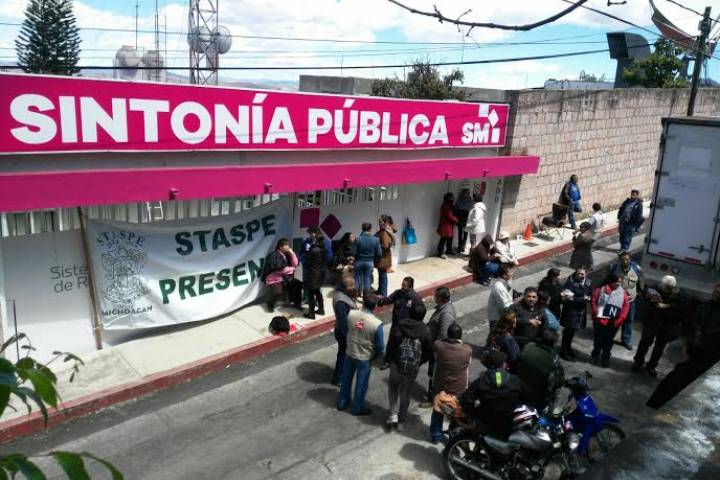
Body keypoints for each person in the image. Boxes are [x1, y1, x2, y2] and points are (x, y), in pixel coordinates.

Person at [647, 285, 720, 409]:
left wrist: (705, 337)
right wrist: (692, 340)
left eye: (718, 293)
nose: (715, 294)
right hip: (695, 348)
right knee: (675, 379)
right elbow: (694, 322)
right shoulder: (705, 307)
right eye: (715, 292)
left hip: (709, 352)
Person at [385, 302, 432, 431]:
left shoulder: (400, 325)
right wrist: (419, 362)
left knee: (393, 387)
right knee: (405, 393)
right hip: (412, 368)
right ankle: (401, 420)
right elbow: (428, 352)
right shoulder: (425, 331)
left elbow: (391, 344)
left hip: (396, 364)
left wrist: (388, 360)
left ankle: (392, 414)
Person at [632, 275, 690, 377]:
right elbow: (646, 296)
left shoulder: (677, 295)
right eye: (667, 287)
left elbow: (680, 307)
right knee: (645, 342)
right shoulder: (653, 289)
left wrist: (667, 306)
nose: (668, 289)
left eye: (670, 288)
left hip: (667, 324)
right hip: (652, 321)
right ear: (662, 285)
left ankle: (651, 366)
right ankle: (638, 362)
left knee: (659, 347)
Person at [336, 294, 384, 416]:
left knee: (346, 379)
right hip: (365, 357)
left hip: (350, 352)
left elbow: (346, 329)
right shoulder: (376, 324)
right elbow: (380, 345)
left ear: (363, 303)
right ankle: (357, 408)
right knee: (361, 384)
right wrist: (376, 357)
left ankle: (342, 402)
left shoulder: (351, 314)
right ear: (375, 306)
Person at [460, 350, 525, 440]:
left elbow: (466, 400)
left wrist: (474, 412)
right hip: (507, 425)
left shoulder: (481, 381)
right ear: (503, 365)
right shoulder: (515, 380)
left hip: (485, 423)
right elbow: (524, 399)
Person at [429, 323, 472, 444]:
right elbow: (468, 364)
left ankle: (436, 436)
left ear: (448, 334)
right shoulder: (467, 350)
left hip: (440, 386)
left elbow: (436, 351)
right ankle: (454, 440)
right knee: (456, 414)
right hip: (459, 388)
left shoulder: (439, 346)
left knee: (438, 410)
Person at [515, 329, 564, 410]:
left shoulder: (529, 346)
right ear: (554, 344)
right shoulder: (554, 360)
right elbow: (559, 382)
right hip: (537, 397)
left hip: (519, 387)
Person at [424, 287, 457, 405]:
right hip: (434, 347)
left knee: (435, 374)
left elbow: (443, 335)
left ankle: (433, 398)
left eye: (436, 296)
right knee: (432, 373)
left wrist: (435, 349)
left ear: (441, 298)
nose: (434, 298)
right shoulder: (442, 309)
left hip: (438, 350)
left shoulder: (446, 313)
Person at [590, 272, 629, 368]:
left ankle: (605, 358)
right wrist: (597, 313)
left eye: (620, 282)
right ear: (610, 282)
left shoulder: (622, 292)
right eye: (617, 282)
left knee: (608, 342)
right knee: (598, 340)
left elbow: (626, 306)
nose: (619, 284)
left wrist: (620, 319)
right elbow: (594, 301)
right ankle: (595, 356)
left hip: (613, 323)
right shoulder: (600, 290)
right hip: (599, 321)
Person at [611, 252, 643, 350]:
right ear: (619, 260)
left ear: (630, 260)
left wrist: (639, 291)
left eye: (627, 259)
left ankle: (625, 340)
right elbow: (608, 282)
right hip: (617, 300)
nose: (625, 261)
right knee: (615, 319)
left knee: (629, 320)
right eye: (623, 260)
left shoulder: (636, 268)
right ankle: (609, 336)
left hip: (630, 301)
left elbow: (640, 280)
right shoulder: (615, 268)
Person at [559, 267, 592, 361]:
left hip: (580, 311)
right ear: (576, 273)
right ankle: (563, 351)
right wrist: (583, 299)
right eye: (579, 274)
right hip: (571, 311)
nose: (581, 276)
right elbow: (568, 298)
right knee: (568, 332)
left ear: (586, 274)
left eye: (582, 274)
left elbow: (590, 292)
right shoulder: (570, 283)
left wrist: (589, 297)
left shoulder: (588, 282)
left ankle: (568, 348)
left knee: (572, 331)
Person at [331, 277, 358, 386]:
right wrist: (347, 337)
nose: (354, 288)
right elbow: (343, 322)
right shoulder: (341, 302)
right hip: (344, 332)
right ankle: (339, 378)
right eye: (352, 286)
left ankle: (340, 375)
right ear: (347, 287)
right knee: (343, 355)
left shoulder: (340, 294)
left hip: (344, 330)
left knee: (343, 354)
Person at [262, 238, 299, 311]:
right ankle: (270, 303)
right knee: (278, 292)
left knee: (297, 284)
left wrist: (292, 254)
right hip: (273, 278)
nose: (288, 247)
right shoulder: (274, 255)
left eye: (288, 245)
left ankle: (296, 303)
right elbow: (279, 270)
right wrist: (292, 269)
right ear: (280, 247)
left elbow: (295, 264)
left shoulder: (287, 254)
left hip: (284, 277)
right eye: (286, 245)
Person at [300, 226, 333, 301]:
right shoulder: (307, 241)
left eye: (311, 233)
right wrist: (303, 260)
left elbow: (329, 254)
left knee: (317, 284)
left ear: (317, 233)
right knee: (306, 282)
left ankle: (318, 300)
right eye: (309, 234)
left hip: (318, 267)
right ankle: (306, 299)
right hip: (307, 266)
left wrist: (321, 263)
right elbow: (302, 252)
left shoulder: (324, 241)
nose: (310, 235)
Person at [352, 222, 381, 298]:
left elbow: (353, 252)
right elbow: (379, 253)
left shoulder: (358, 239)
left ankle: (354, 297)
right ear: (370, 229)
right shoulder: (376, 239)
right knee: (367, 279)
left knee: (357, 279)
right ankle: (366, 297)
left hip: (358, 261)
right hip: (369, 262)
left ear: (362, 229)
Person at [304, 236, 328, 319]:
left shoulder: (313, 250)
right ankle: (321, 309)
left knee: (311, 294)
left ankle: (311, 314)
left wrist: (307, 251)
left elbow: (307, 261)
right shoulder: (324, 249)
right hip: (321, 273)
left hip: (313, 273)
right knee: (318, 291)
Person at [487, 265, 516, 330]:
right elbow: (505, 306)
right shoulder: (499, 287)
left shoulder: (506, 281)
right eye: (510, 272)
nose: (512, 273)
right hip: (497, 320)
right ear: (504, 275)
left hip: (504, 316)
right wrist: (516, 303)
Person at [375, 215, 396, 298]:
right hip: (383, 259)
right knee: (381, 276)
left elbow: (385, 245)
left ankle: (383, 294)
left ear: (385, 222)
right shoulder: (385, 231)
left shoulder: (384, 232)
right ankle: (380, 291)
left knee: (383, 276)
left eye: (380, 221)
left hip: (383, 259)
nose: (379, 223)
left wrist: (376, 247)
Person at [436, 192, 458, 259]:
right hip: (445, 225)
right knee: (443, 239)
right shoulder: (446, 205)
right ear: (449, 198)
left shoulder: (449, 204)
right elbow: (449, 215)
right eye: (452, 197)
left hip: (449, 225)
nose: (453, 198)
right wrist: (456, 220)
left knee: (449, 238)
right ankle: (440, 253)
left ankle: (449, 250)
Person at [454, 188, 473, 255]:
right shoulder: (460, 199)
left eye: (468, 193)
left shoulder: (469, 199)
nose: (468, 194)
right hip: (460, 219)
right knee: (460, 234)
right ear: (463, 193)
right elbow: (456, 207)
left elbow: (471, 208)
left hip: (466, 219)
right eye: (466, 193)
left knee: (465, 234)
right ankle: (460, 248)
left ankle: (462, 247)